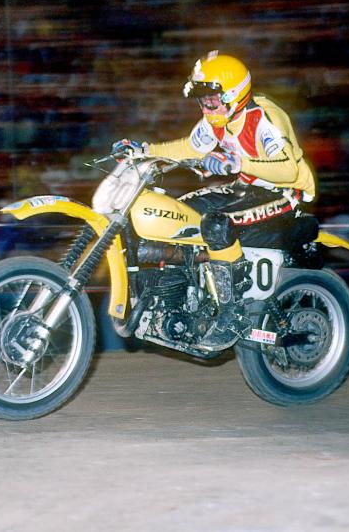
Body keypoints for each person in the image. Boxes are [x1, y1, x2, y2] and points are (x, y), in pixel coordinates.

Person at [112, 51, 316, 347]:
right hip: (246, 187)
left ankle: (232, 315)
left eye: (212, 99)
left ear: (234, 94)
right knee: (178, 214)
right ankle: (175, 302)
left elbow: (288, 170)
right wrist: (144, 151)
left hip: (284, 192)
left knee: (215, 224)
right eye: (202, 100)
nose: (206, 106)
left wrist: (237, 163)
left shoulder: (263, 117)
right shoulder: (218, 120)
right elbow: (190, 147)